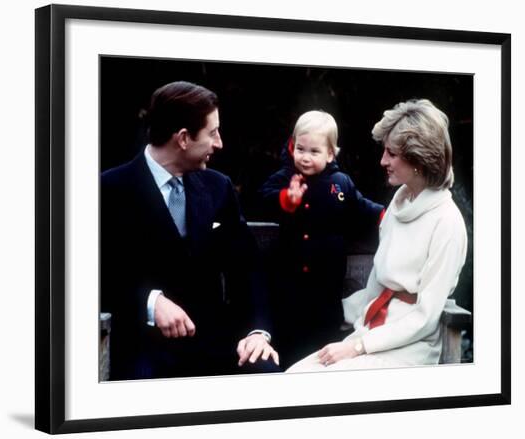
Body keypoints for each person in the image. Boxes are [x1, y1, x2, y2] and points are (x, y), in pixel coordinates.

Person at [101, 81, 279, 380]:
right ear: (183, 138)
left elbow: (247, 268)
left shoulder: (218, 187)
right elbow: (92, 274)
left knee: (266, 372)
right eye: (212, 133)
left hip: (215, 344)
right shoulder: (109, 189)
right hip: (143, 348)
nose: (219, 143)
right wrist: (150, 301)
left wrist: (257, 332)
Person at [286, 99, 468, 373]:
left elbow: (426, 317)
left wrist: (359, 346)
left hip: (409, 351)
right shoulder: (399, 205)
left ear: (419, 159)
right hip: (369, 333)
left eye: (391, 154)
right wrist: (319, 311)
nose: (383, 161)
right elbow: (377, 287)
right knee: (294, 375)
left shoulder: (447, 222)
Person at [259, 110, 384, 369]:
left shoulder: (340, 184)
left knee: (323, 340)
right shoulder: (286, 178)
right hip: (288, 283)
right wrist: (287, 200)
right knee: (288, 339)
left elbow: (362, 208)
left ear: (330, 154)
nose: (305, 157)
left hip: (325, 287)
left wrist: (387, 215)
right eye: (300, 149)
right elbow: (261, 199)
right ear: (293, 146)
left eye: (314, 152)